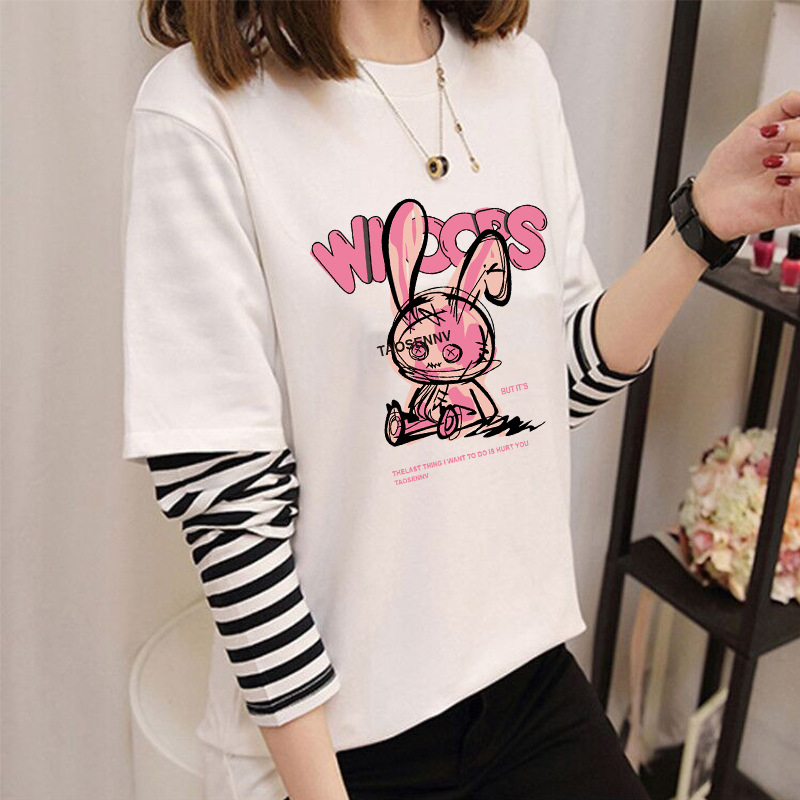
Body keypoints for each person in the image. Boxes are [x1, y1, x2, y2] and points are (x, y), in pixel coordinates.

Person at [121, 1, 800, 798]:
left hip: (524, 681)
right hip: (334, 734)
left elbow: (548, 390)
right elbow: (231, 511)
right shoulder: (202, 108)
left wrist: (700, 225)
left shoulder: (517, 74)